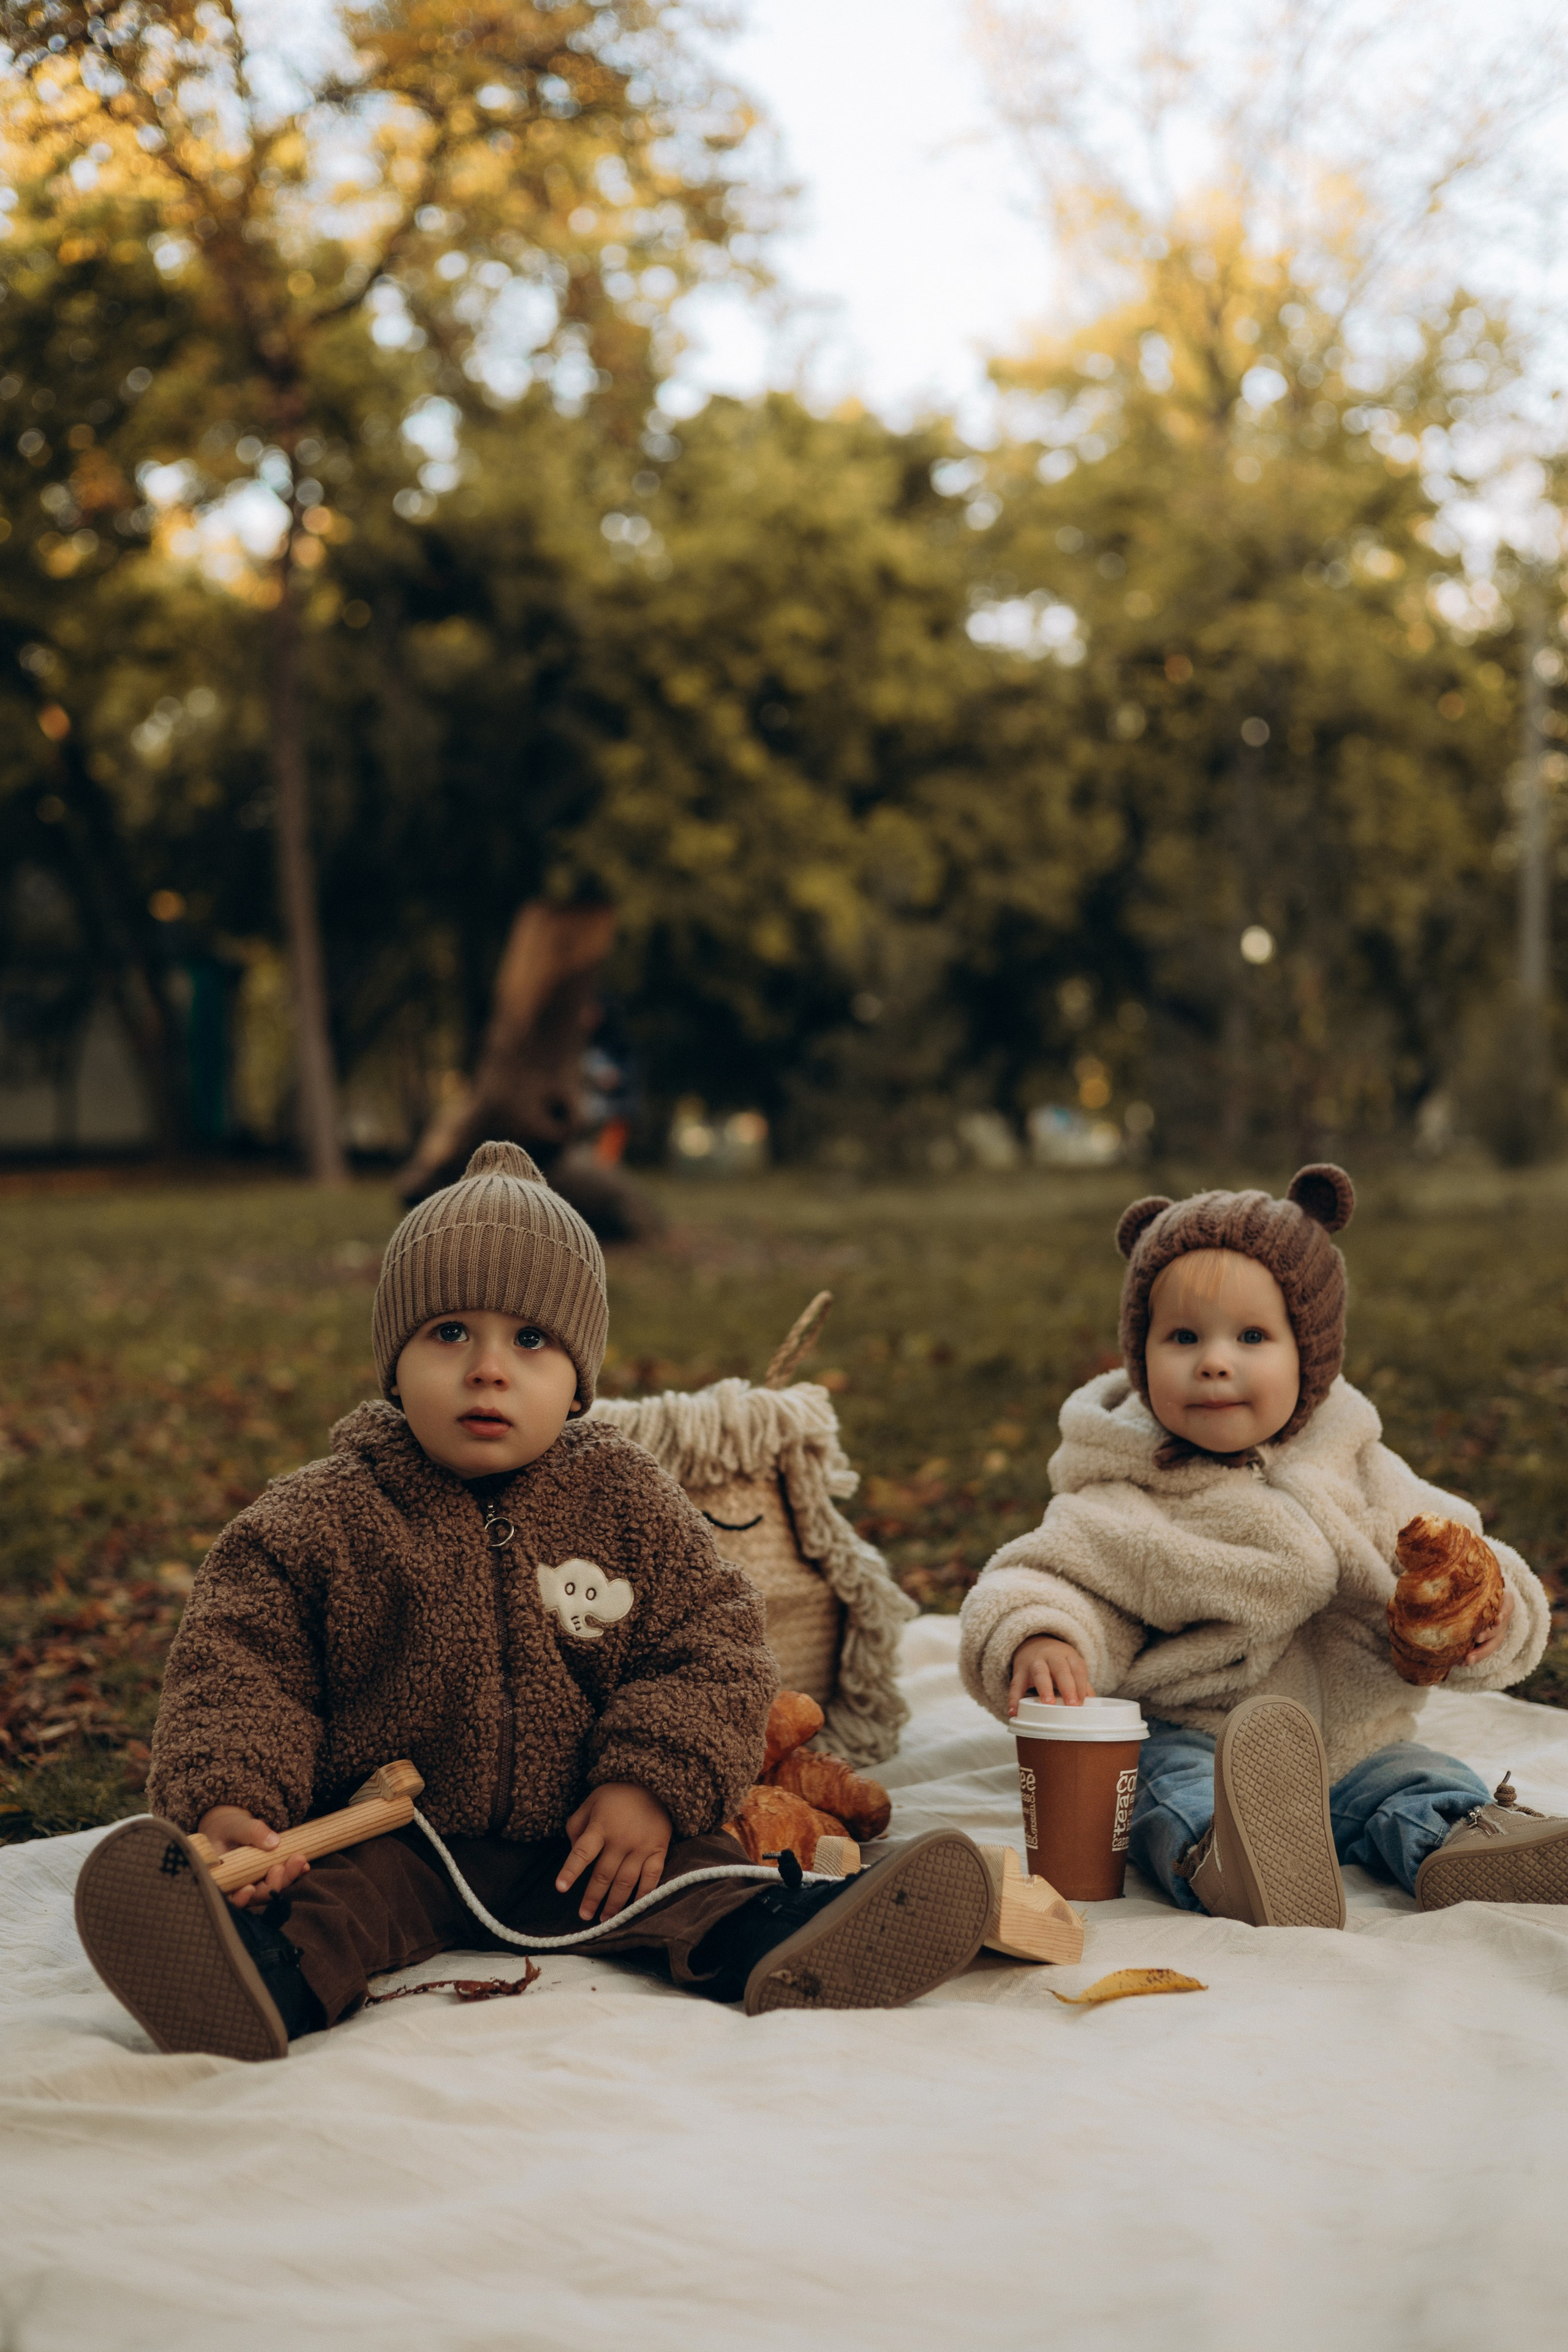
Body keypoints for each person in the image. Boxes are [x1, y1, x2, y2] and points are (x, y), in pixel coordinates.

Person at [75, 1143, 988, 2060]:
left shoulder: (627, 1497)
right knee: (322, 1905)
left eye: (530, 1340)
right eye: (448, 1334)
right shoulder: (324, 1517)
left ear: (580, 1379)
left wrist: (650, 1783)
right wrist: (232, 1799)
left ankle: (792, 1940)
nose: (488, 1369)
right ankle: (249, 1981)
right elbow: (240, 1664)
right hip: (398, 1841)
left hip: (590, 1835)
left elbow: (718, 1644)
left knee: (704, 1875)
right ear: (393, 1366)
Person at [959, 1164, 1564, 1926]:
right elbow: (1048, 1576)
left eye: (1251, 1336)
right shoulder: (1127, 1488)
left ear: (1310, 1353)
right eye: (1182, 1336)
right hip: (1200, 1740)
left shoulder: (1360, 1467)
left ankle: (1465, 1847)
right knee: (1159, 1788)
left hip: (1356, 1745)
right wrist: (1045, 1634)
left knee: (1423, 1778)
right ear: (1140, 1352)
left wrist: (1490, 1620)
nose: (1214, 1361)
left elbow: (1460, 1554)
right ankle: (1225, 1859)